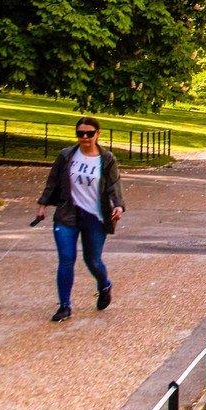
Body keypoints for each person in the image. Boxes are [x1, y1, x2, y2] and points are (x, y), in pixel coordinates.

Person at [36, 117, 124, 322]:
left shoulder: (107, 159)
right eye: (80, 133)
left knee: (92, 260)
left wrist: (118, 205)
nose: (85, 137)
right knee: (66, 260)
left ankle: (104, 285)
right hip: (67, 215)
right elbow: (53, 182)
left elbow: (114, 185)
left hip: (96, 217)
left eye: (89, 133)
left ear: (97, 134)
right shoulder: (66, 156)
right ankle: (65, 306)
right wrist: (42, 205)